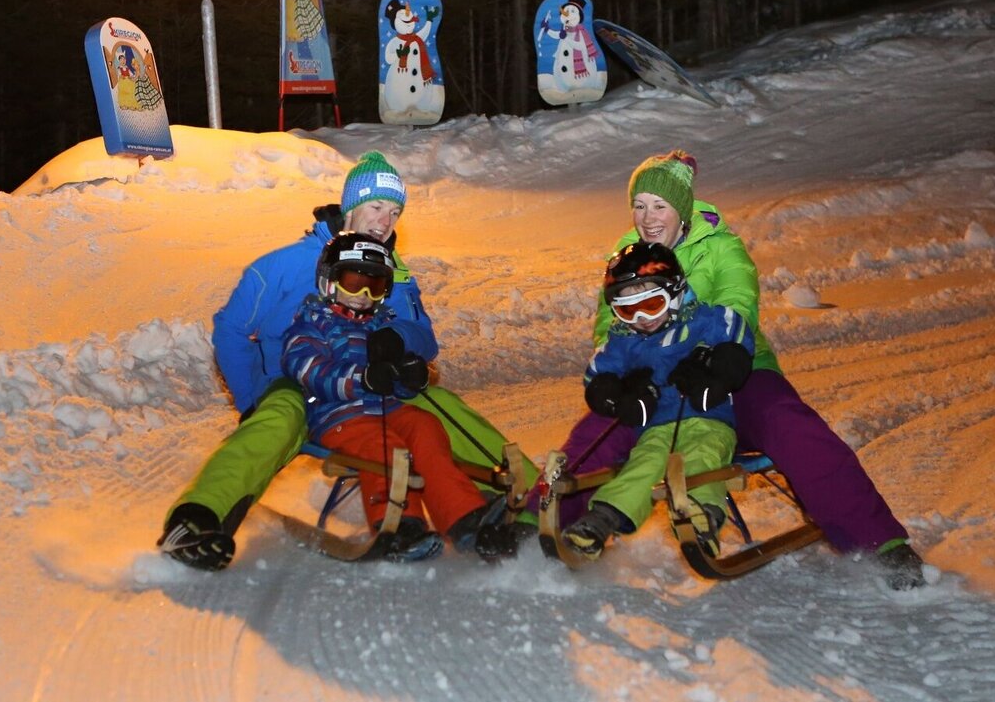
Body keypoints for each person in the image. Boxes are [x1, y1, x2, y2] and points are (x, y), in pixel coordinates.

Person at [561, 150, 926, 589]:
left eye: (659, 206)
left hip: (732, 365)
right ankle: (542, 524)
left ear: (682, 208)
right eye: (639, 206)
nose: (648, 218)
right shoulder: (626, 256)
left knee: (788, 424)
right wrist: (623, 382)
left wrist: (719, 359)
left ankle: (879, 541)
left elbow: (738, 305)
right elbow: (611, 327)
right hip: (656, 376)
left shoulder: (721, 246)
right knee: (598, 430)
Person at [158, 151, 536, 570]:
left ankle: (536, 504)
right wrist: (250, 400)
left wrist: (398, 342)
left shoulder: (390, 271)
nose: (385, 222)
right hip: (297, 381)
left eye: (394, 213)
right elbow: (231, 330)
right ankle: (196, 519)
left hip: (373, 384)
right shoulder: (283, 266)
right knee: (276, 419)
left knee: (439, 408)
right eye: (376, 207)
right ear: (351, 206)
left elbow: (423, 338)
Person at [282, 233, 497, 559]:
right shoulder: (311, 325)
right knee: (384, 444)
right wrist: (362, 378)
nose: (363, 296)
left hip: (385, 408)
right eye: (354, 283)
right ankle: (399, 525)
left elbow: (391, 381)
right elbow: (310, 371)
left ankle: (462, 515)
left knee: (425, 426)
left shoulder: (380, 327)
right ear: (329, 280)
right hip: (337, 416)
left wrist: (408, 377)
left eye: (375, 286)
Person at [559, 242, 756, 560]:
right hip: (656, 428)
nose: (641, 318)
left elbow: (736, 331)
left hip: (708, 419)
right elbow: (597, 374)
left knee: (702, 457)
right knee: (643, 464)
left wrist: (718, 365)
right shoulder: (625, 342)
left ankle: (702, 516)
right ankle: (601, 520)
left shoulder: (703, 321)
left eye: (651, 304)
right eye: (628, 310)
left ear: (676, 293)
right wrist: (614, 392)